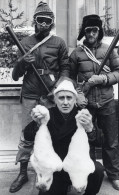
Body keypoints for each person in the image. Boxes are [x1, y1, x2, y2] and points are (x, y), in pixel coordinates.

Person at [9, 1, 70, 193]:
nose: (43, 24)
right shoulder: (25, 43)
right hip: (29, 94)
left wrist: (58, 87)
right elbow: (15, 75)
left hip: (49, 94)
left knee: (51, 134)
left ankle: (49, 173)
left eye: (47, 21)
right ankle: (23, 173)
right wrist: (22, 62)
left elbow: (65, 69)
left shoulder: (59, 43)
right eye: (40, 20)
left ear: (51, 23)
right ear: (35, 21)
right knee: (27, 135)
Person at [69, 14, 119, 190]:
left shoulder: (108, 50)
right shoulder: (76, 53)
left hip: (107, 101)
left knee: (111, 141)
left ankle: (114, 175)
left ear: (99, 31)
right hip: (86, 104)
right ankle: (90, 174)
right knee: (85, 140)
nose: (92, 33)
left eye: (95, 30)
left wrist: (102, 79)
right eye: (88, 30)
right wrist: (77, 93)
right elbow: (69, 78)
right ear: (84, 32)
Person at [23, 79, 104, 195]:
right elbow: (27, 136)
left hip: (78, 166)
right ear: (55, 100)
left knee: (98, 170)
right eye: (61, 98)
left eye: (69, 98)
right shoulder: (47, 115)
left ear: (75, 99)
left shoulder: (82, 115)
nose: (65, 102)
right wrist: (37, 123)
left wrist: (90, 128)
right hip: (56, 168)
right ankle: (63, 186)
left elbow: (100, 141)